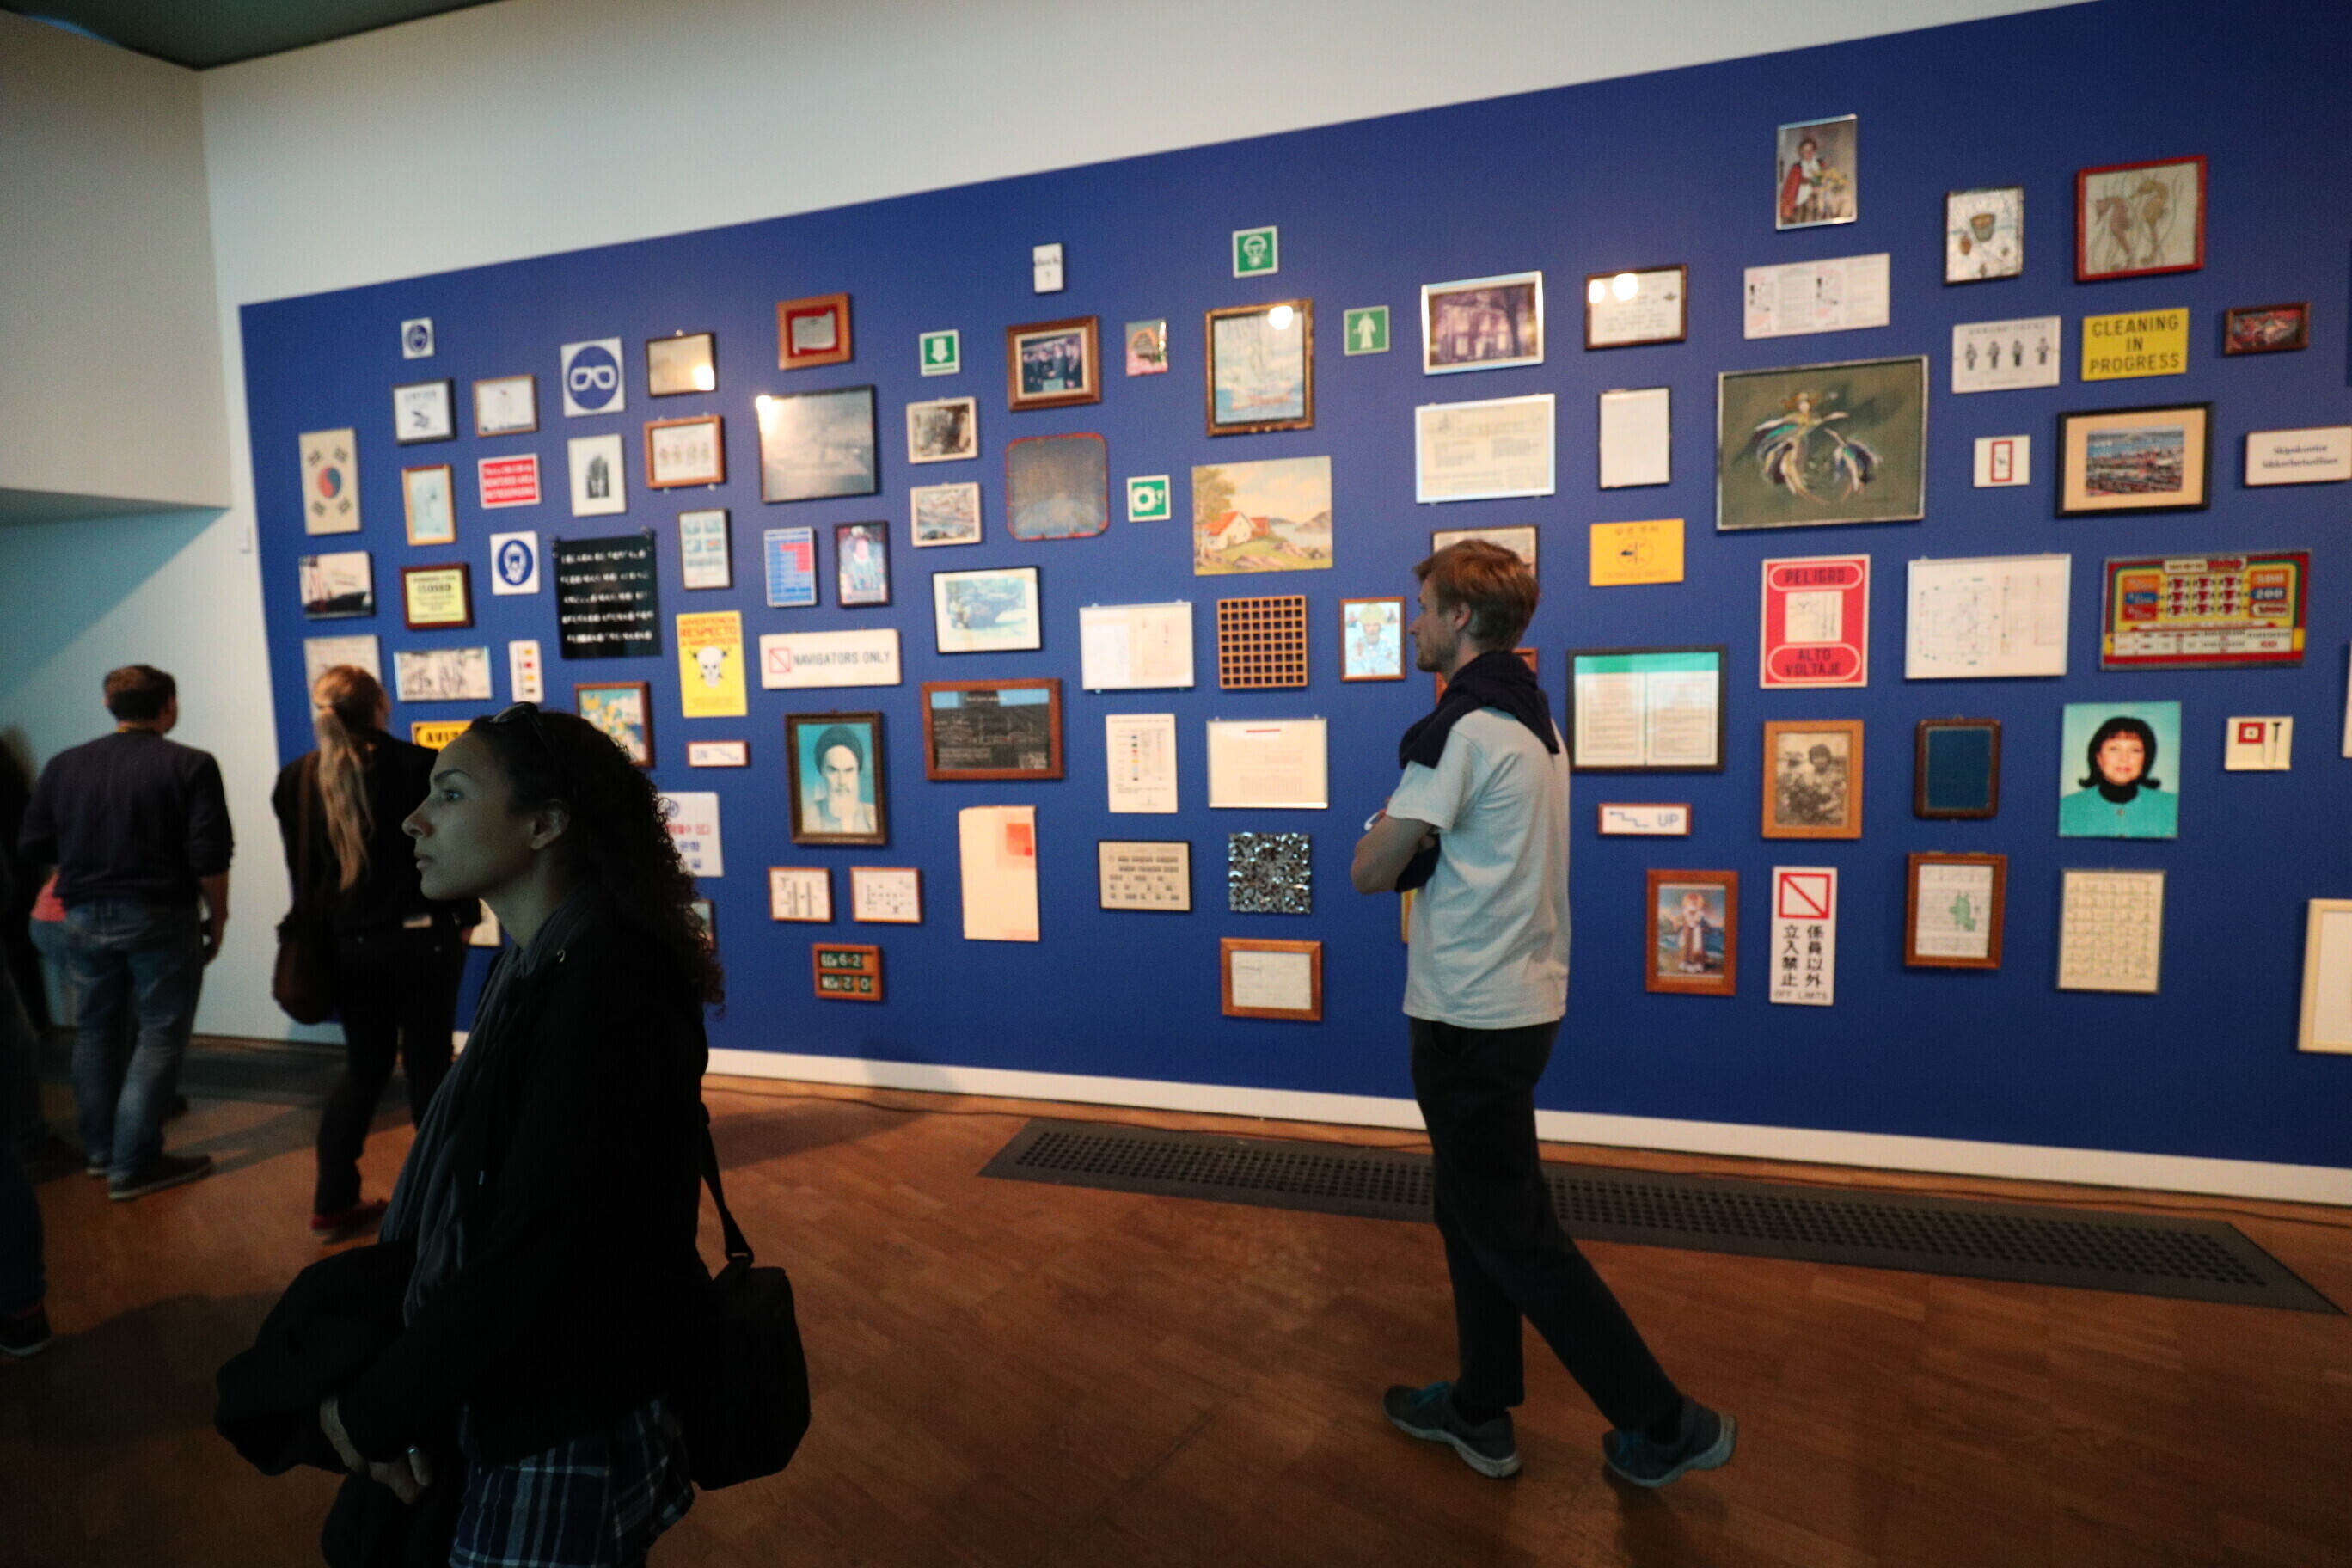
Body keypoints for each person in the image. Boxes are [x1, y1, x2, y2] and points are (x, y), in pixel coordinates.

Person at [1351, 541, 1735, 1488]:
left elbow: (1369, 872)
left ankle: (1665, 1422)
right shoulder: (1536, 724)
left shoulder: (1464, 730)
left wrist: (1383, 830)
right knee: (1470, 1210)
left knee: (1514, 1232)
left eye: (1424, 608)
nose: (1415, 624)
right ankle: (1480, 1407)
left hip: (1467, 1014)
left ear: (1460, 618)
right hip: (1519, 1004)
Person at [312, 701, 714, 1563]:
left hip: (563, 1408)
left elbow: (536, 1246)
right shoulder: (535, 963)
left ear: (544, 824)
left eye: (451, 795)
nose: (415, 820)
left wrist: (383, 1406)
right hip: (524, 1382)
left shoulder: (604, 986)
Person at [272, 666, 475, 1239]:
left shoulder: (297, 779)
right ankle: (442, 1202)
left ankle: (333, 1200)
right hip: (422, 939)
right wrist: (464, 918)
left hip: (349, 946)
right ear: (380, 705)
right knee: (430, 1066)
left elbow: (304, 874)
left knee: (365, 1068)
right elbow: (451, 852)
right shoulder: (420, 767)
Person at [17, 665, 231, 1201]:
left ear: (109, 705)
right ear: (169, 705)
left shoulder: (66, 764)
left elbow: (34, 842)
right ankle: (134, 1163)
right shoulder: (190, 764)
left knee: (95, 1032)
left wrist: (87, 855)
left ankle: (100, 1152)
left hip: (83, 914)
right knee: (159, 1035)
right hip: (160, 913)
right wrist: (219, 917)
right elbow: (210, 855)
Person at [2059, 714, 2177, 838]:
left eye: (2135, 750)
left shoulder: (2173, 806)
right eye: (2114, 749)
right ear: (2098, 757)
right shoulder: (2065, 809)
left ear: (2146, 759)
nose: (2124, 759)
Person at [805, 725, 875, 835]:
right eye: (833, 770)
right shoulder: (807, 818)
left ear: (858, 772)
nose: (842, 781)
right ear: (821, 772)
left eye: (849, 770)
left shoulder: (873, 817)